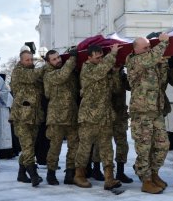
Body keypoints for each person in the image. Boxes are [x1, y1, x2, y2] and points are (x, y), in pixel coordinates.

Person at [125, 34, 170, 194]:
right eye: (145, 47)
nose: (148, 49)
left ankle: (154, 173)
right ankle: (146, 179)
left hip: (156, 110)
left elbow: (162, 82)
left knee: (162, 145)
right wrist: (164, 43)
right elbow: (150, 58)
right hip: (142, 111)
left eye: (149, 47)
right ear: (135, 49)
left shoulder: (151, 61)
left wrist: (163, 63)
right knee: (144, 147)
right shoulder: (134, 61)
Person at [74, 44, 122, 190]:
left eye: (102, 57)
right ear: (89, 58)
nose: (101, 60)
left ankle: (109, 178)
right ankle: (79, 175)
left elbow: (116, 89)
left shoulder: (105, 69)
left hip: (105, 116)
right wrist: (112, 54)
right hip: (89, 117)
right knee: (85, 147)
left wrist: (114, 73)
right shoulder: (87, 69)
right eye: (98, 57)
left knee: (107, 148)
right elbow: (99, 71)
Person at [10, 45, 46, 187]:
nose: (30, 62)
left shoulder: (34, 73)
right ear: (21, 60)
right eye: (27, 60)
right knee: (28, 146)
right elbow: (32, 76)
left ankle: (21, 173)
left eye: (31, 59)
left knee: (28, 147)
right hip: (21, 117)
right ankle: (33, 174)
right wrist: (46, 65)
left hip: (34, 116)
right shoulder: (19, 71)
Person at [43, 49, 79, 185]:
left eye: (58, 57)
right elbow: (61, 76)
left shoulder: (67, 70)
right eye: (54, 59)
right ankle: (51, 173)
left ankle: (70, 172)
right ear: (48, 62)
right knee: (55, 147)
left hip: (71, 114)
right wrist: (72, 59)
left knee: (74, 146)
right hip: (56, 116)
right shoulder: (48, 73)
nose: (58, 60)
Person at [111, 67, 133, 183]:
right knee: (101, 146)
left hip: (120, 114)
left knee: (122, 144)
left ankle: (120, 171)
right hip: (106, 115)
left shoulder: (122, 75)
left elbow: (131, 86)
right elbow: (116, 89)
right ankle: (97, 169)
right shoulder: (104, 72)